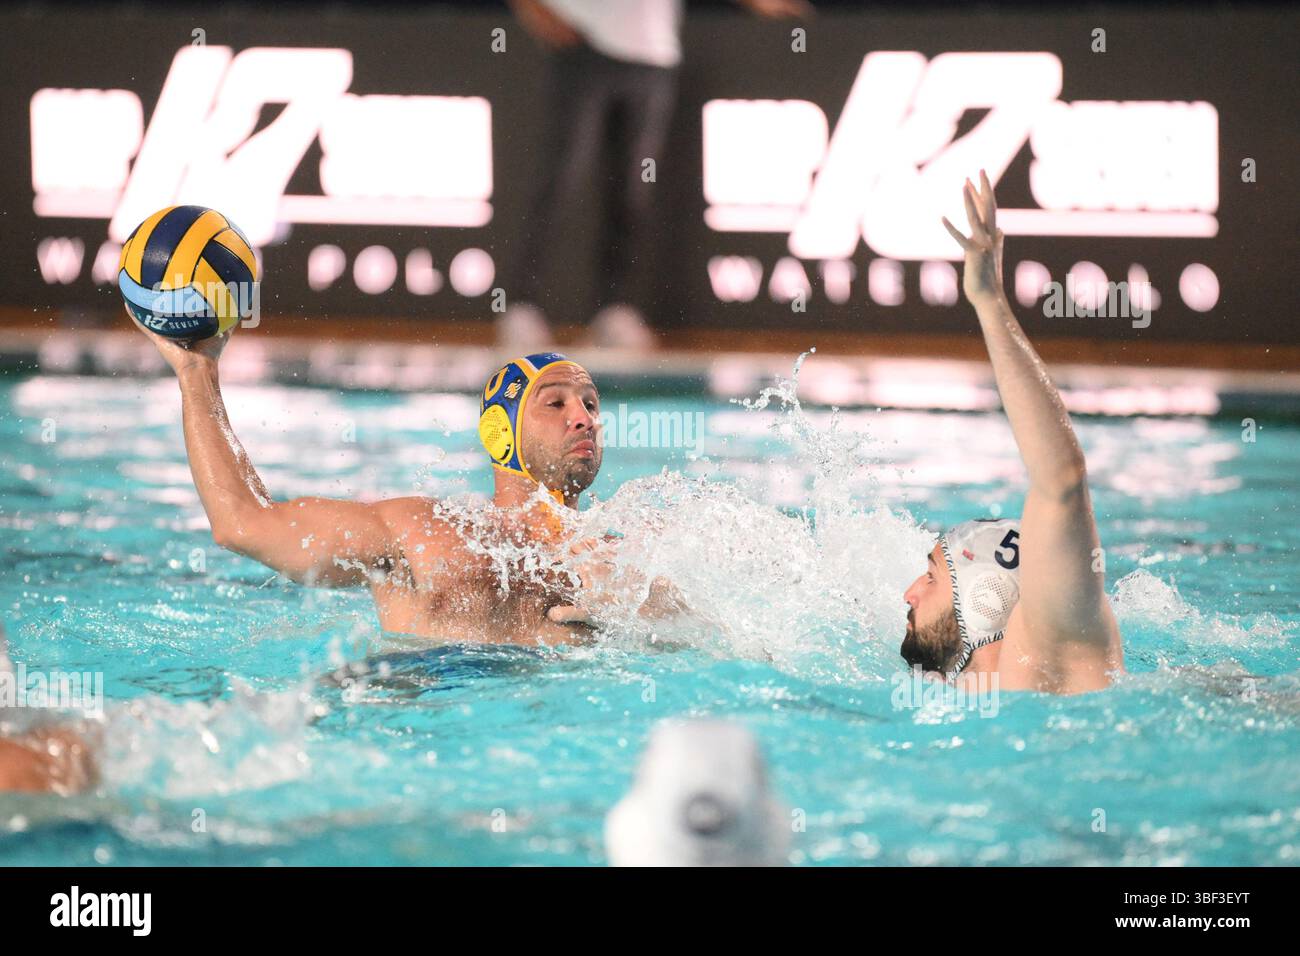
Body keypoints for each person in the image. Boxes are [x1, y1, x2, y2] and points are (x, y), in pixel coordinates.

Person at [128, 322, 666, 643]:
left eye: (590, 404)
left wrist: (628, 632)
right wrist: (198, 374)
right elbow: (243, 524)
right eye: (556, 403)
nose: (584, 418)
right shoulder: (426, 529)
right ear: (499, 432)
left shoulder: (626, 561)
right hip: (427, 702)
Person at [899, 172, 1125, 694]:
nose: (909, 593)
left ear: (985, 597)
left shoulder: (1050, 658)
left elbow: (1062, 479)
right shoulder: (961, 684)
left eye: (932, 577)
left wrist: (988, 302)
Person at [499, 0, 812, 351]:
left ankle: (613, 310)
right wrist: (532, 7)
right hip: (582, 47)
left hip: (653, 55)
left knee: (633, 190)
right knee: (561, 182)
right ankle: (521, 308)